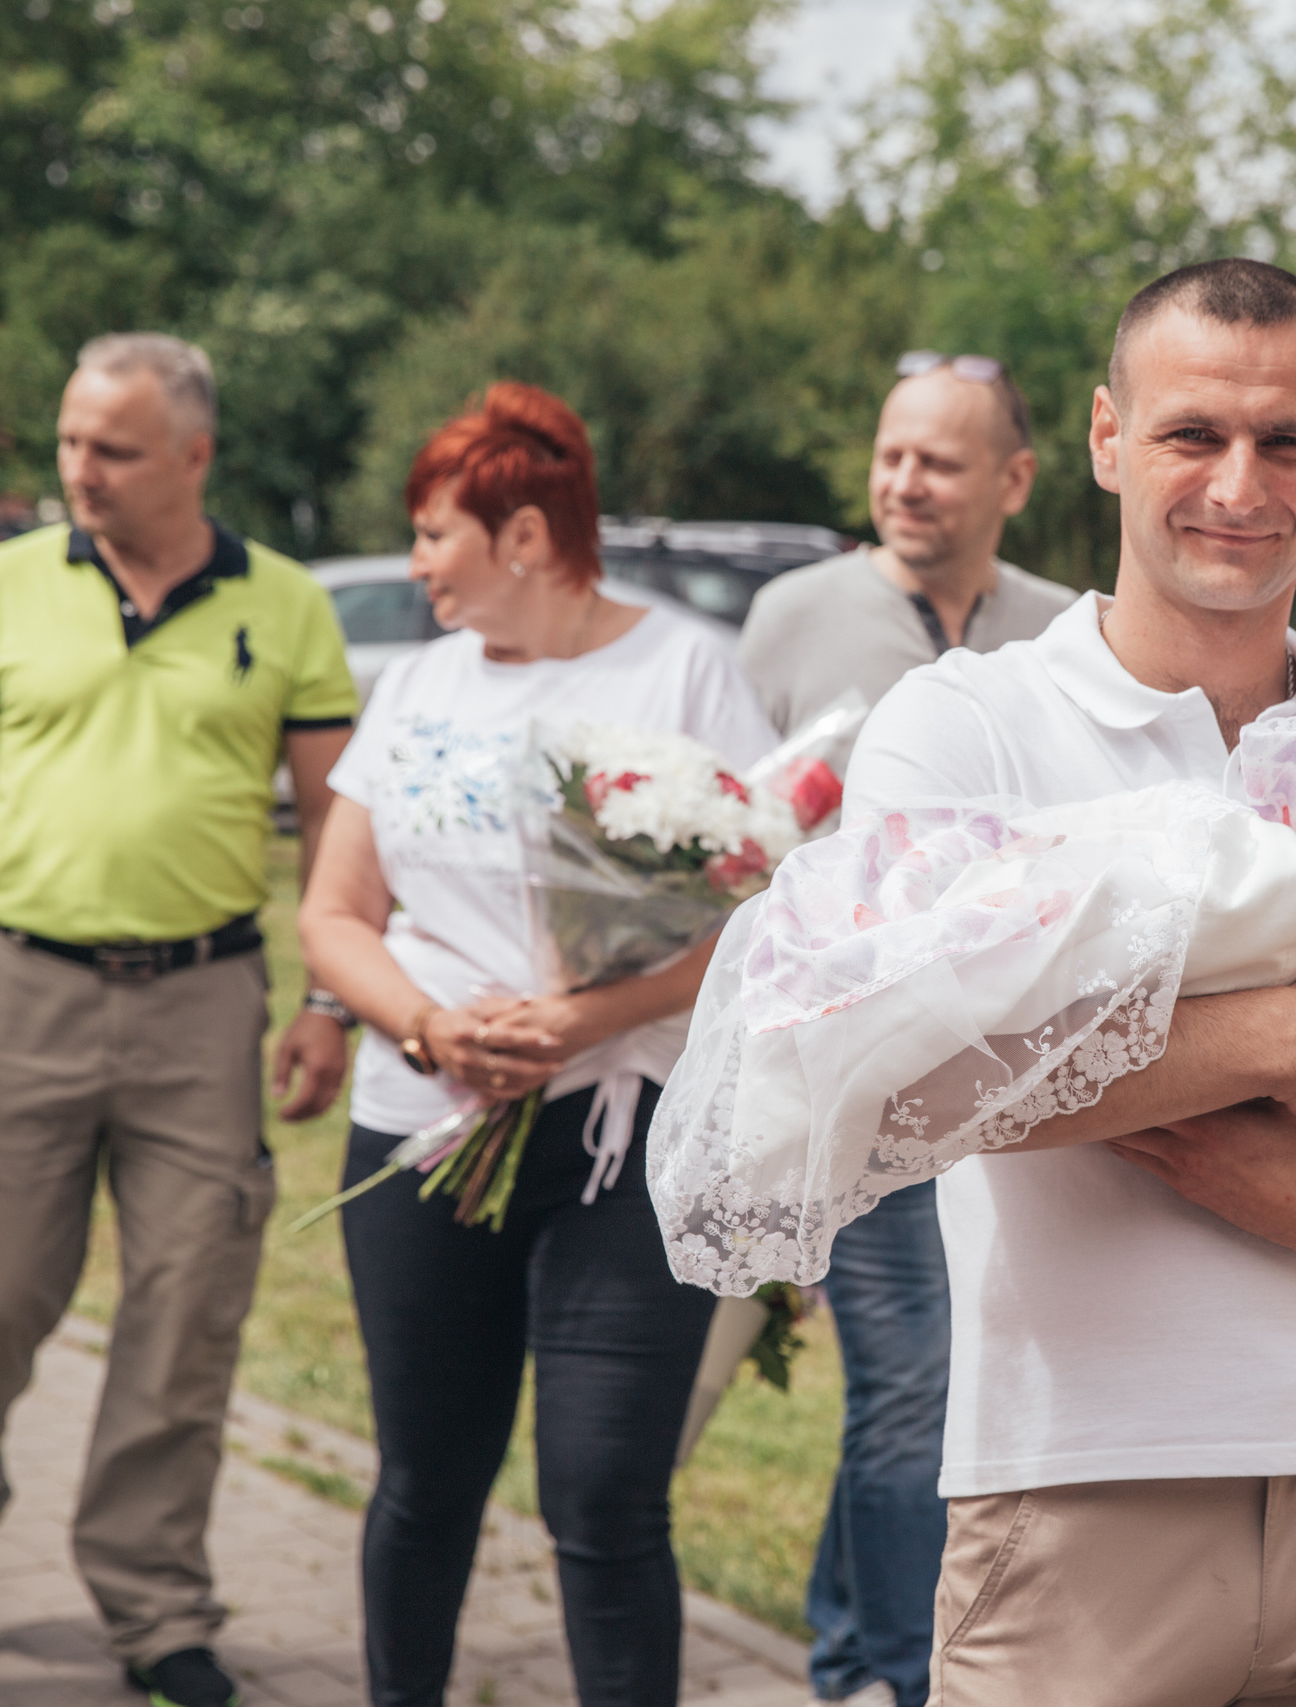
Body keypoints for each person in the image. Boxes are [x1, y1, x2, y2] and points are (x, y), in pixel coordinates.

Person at [842, 259, 1296, 1707]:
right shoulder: (964, 731)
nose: (1240, 485)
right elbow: (902, 1090)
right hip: (1081, 1483)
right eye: (1193, 435)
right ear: (1111, 440)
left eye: (1287, 442)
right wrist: (1291, 1043)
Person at [0, 333, 359, 1707]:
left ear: (195, 456)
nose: (79, 472)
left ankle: (157, 1612)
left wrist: (331, 1000)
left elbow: (338, 823)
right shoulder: (5, 583)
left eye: (113, 449)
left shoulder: (283, 607)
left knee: (184, 1313)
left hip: (206, 1005)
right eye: (69, 444)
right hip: (18, 989)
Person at [297, 384, 777, 1707]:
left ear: (521, 536)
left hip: (624, 1134)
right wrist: (429, 1024)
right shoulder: (413, 688)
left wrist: (584, 1018)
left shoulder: (682, 669)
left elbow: (757, 917)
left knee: (607, 1495)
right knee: (424, 1482)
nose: (414, 564)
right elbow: (334, 915)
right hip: (424, 1130)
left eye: (432, 533)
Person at [735, 350, 1073, 1707]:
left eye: (938, 460)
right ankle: (891, 1674)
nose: (904, 482)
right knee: (914, 1386)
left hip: (1028, 1086)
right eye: (890, 454)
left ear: (1015, 480)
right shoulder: (788, 618)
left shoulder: (1063, 630)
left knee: (935, 1387)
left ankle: (836, 1633)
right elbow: (733, 833)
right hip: (860, 1075)